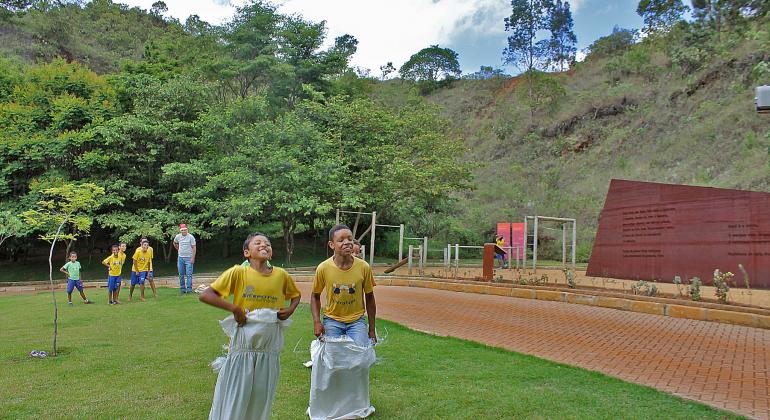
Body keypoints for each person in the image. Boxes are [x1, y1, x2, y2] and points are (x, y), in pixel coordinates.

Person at [199, 232, 301, 420]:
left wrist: (291, 309)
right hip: (244, 343)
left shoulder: (281, 275)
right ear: (247, 252)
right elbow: (206, 295)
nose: (264, 245)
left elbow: (296, 295)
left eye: (268, 243)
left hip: (270, 347)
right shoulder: (238, 272)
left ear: (271, 253)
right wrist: (235, 309)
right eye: (258, 243)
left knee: (261, 395)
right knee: (237, 392)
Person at [311, 224, 377, 347]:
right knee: (333, 357)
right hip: (332, 320)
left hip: (357, 321)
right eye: (341, 240)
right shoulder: (323, 268)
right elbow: (315, 296)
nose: (347, 242)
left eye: (350, 239)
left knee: (361, 354)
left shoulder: (364, 267)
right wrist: (317, 322)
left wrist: (372, 329)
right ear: (332, 245)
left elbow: (370, 298)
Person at [174, 224, 197, 294]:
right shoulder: (178, 237)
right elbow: (174, 242)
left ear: (187, 230)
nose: (184, 231)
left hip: (189, 258)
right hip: (180, 258)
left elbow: (194, 247)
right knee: (181, 274)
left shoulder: (191, 237)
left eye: (185, 230)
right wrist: (178, 248)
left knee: (189, 274)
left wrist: (193, 258)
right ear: (180, 231)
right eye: (182, 230)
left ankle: (189, 289)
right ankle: (182, 289)